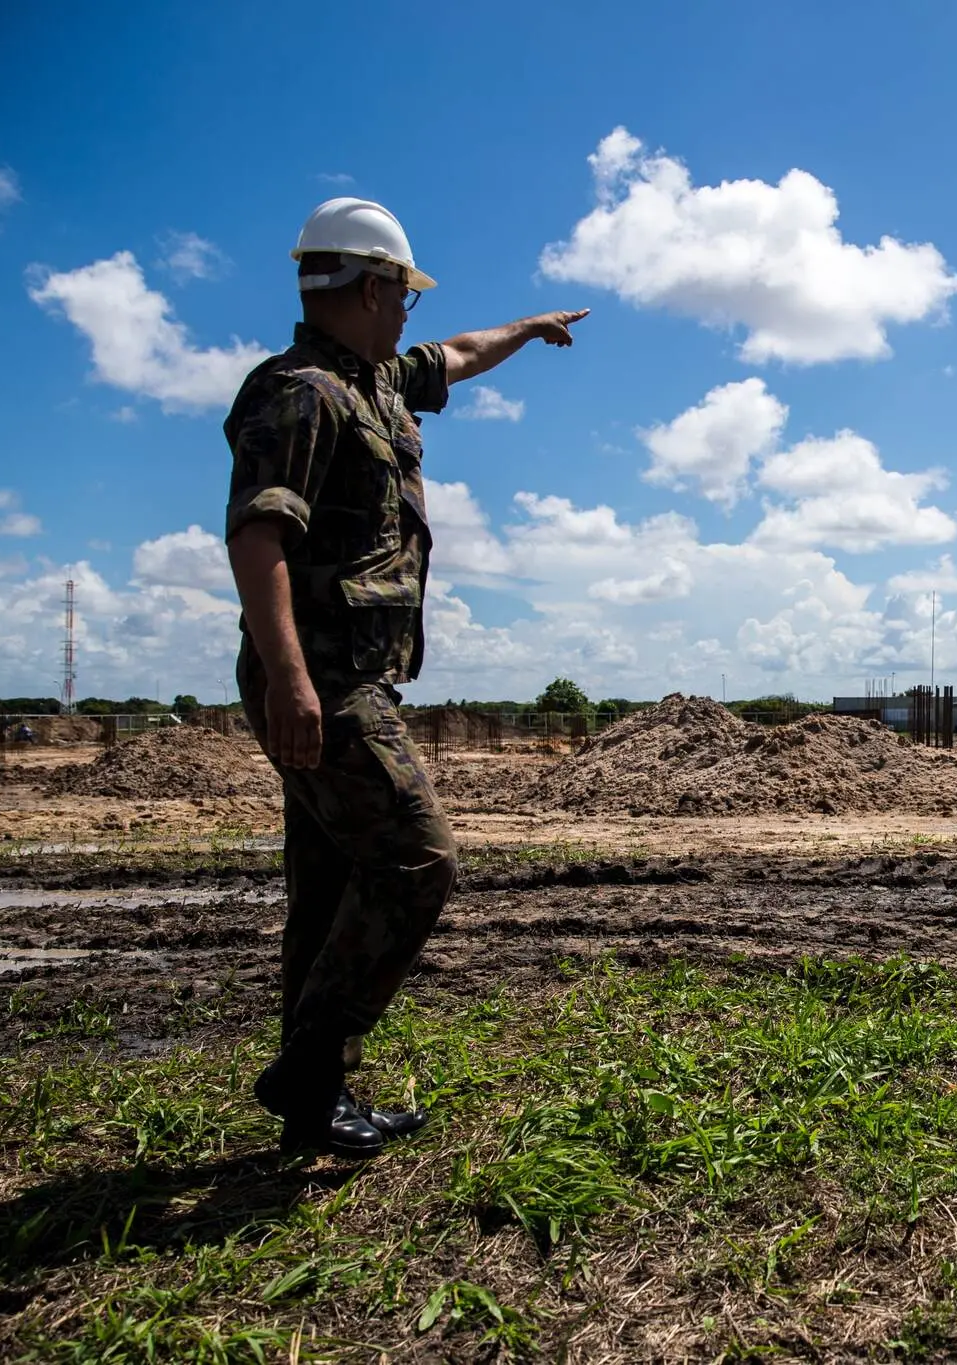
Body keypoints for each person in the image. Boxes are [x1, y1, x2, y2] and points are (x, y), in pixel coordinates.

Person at [224, 197, 588, 1158]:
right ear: (372, 286)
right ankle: (310, 1063)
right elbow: (258, 535)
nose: (410, 315)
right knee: (417, 857)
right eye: (403, 295)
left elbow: (459, 354)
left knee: (330, 879)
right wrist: (292, 683)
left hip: (355, 677)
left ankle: (314, 1102)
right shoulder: (301, 392)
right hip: (325, 677)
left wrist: (529, 328)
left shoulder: (376, 379)